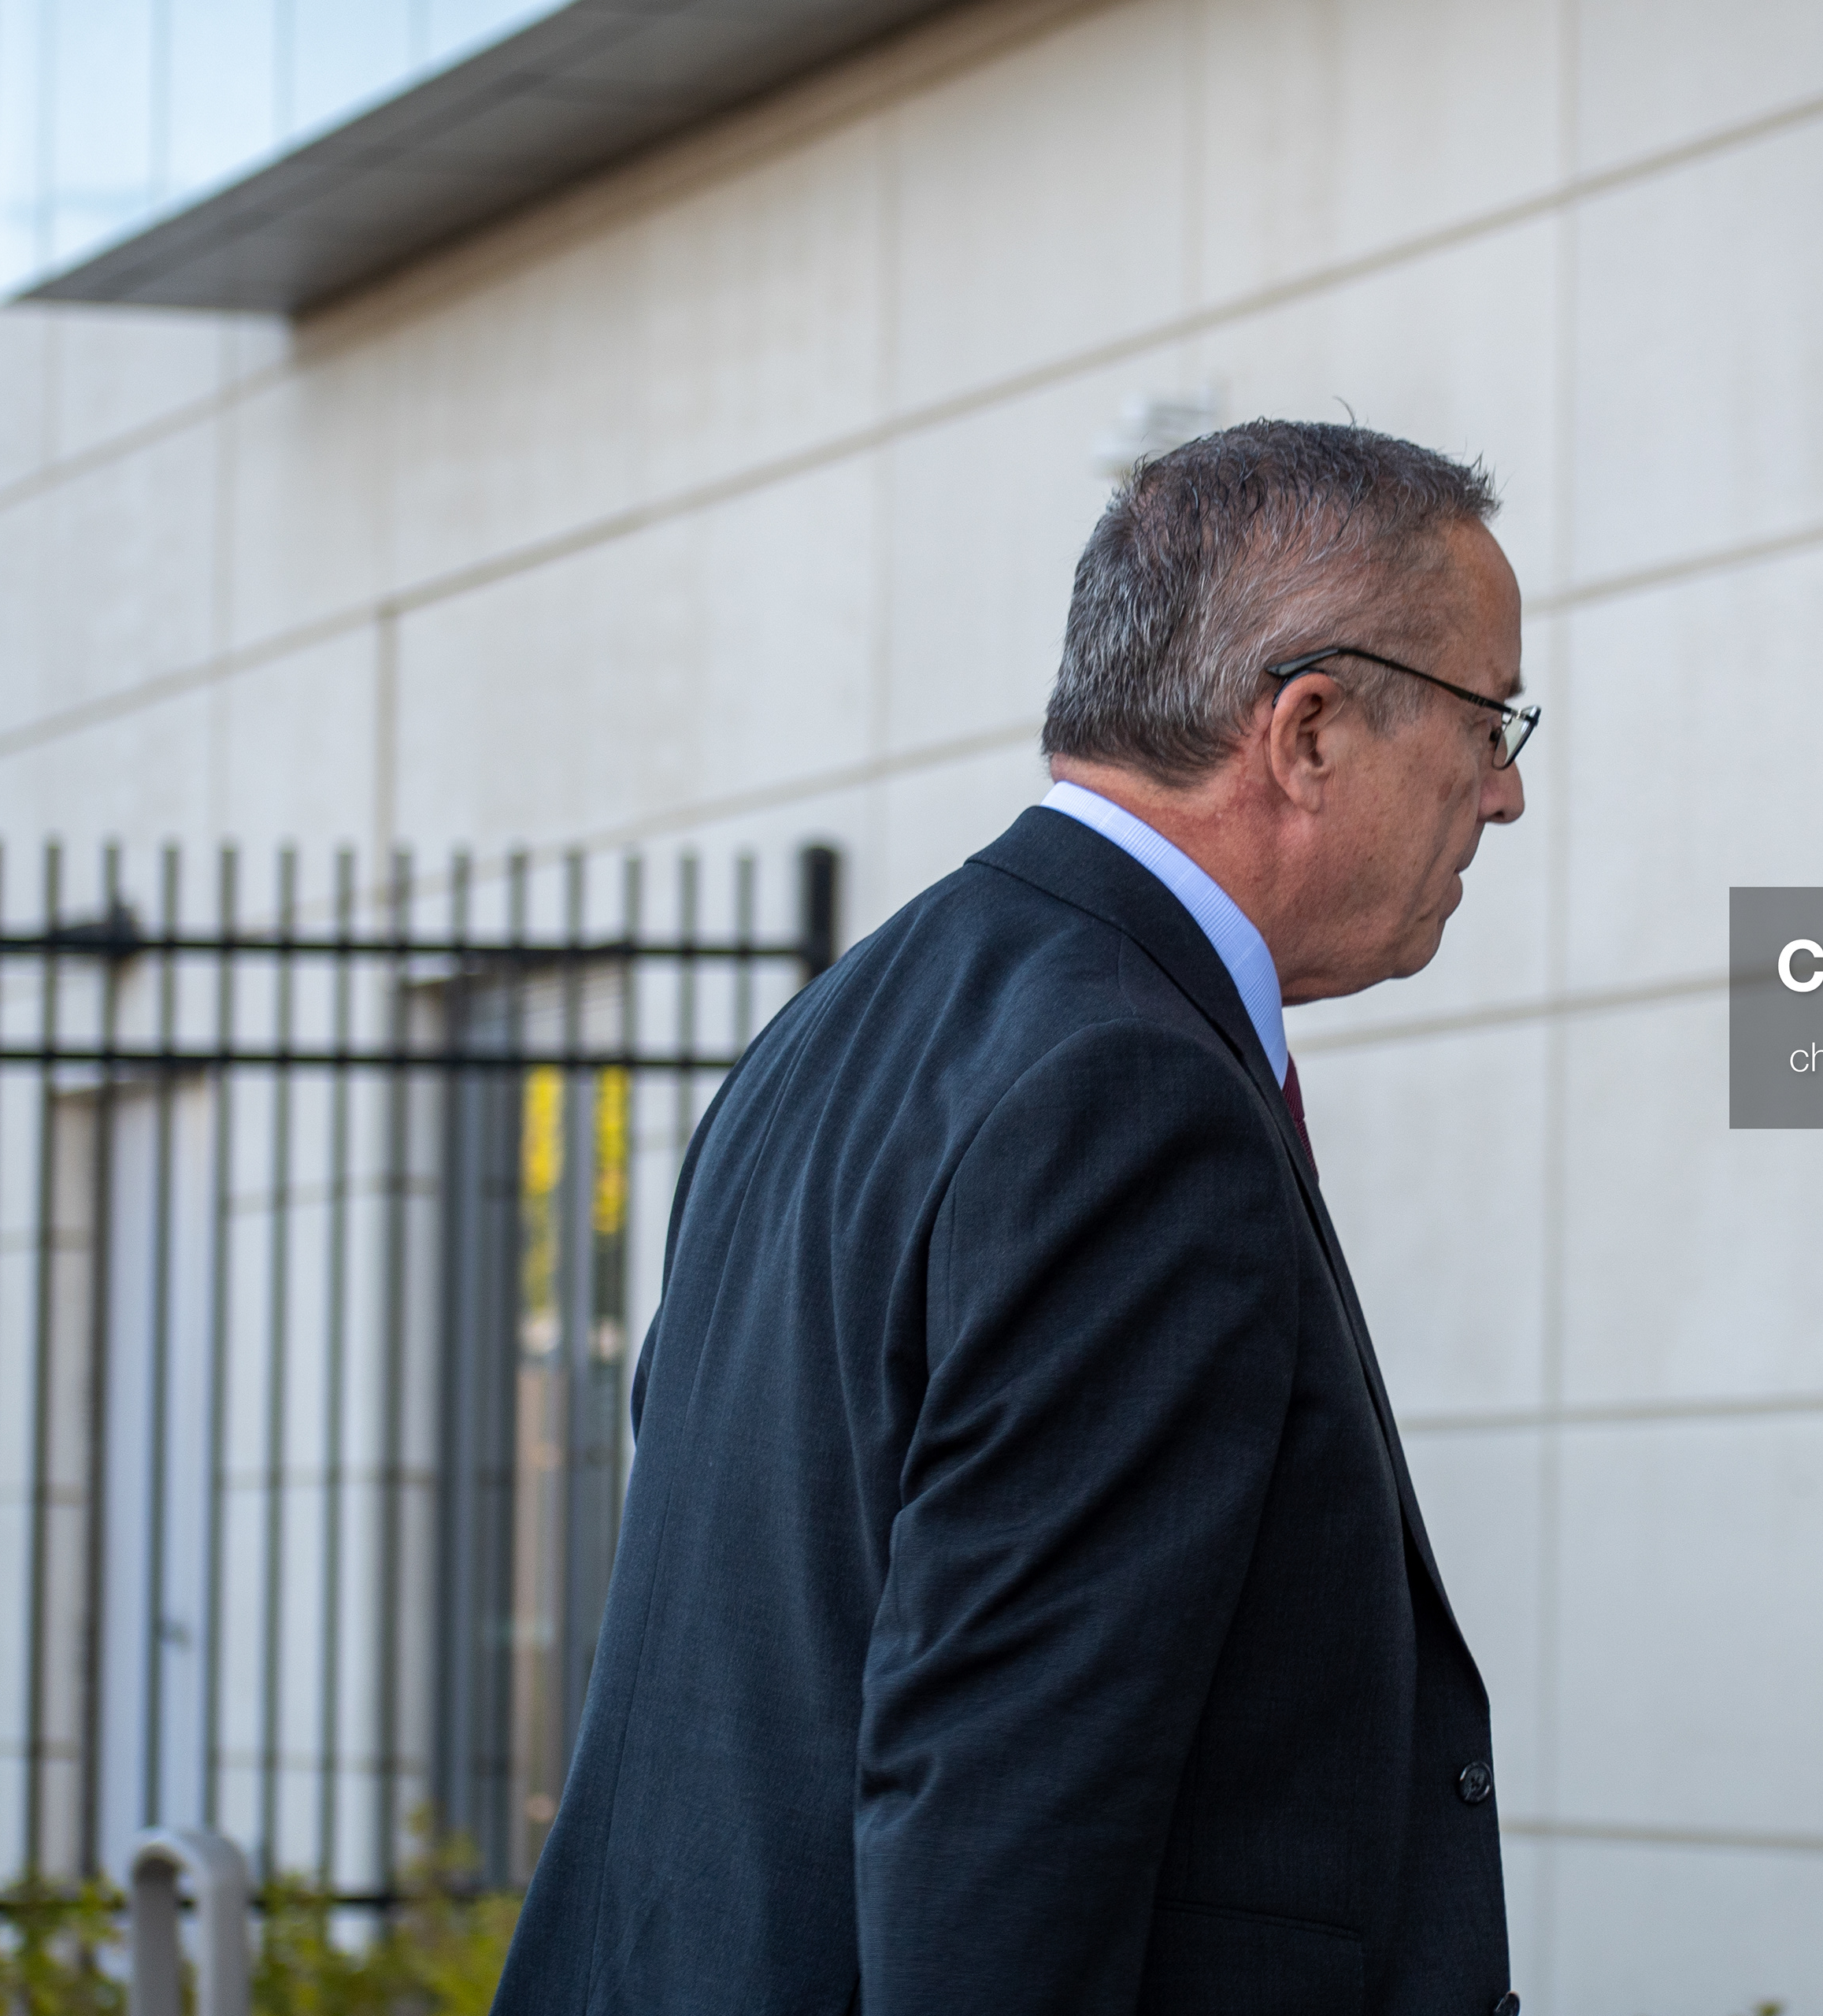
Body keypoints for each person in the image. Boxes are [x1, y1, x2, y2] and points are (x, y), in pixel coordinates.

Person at [494, 419, 1536, 2016]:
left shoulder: (840, 1031)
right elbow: (1006, 1809)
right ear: (1309, 729)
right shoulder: (1131, 1093)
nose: (1508, 789)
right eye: (1488, 719)